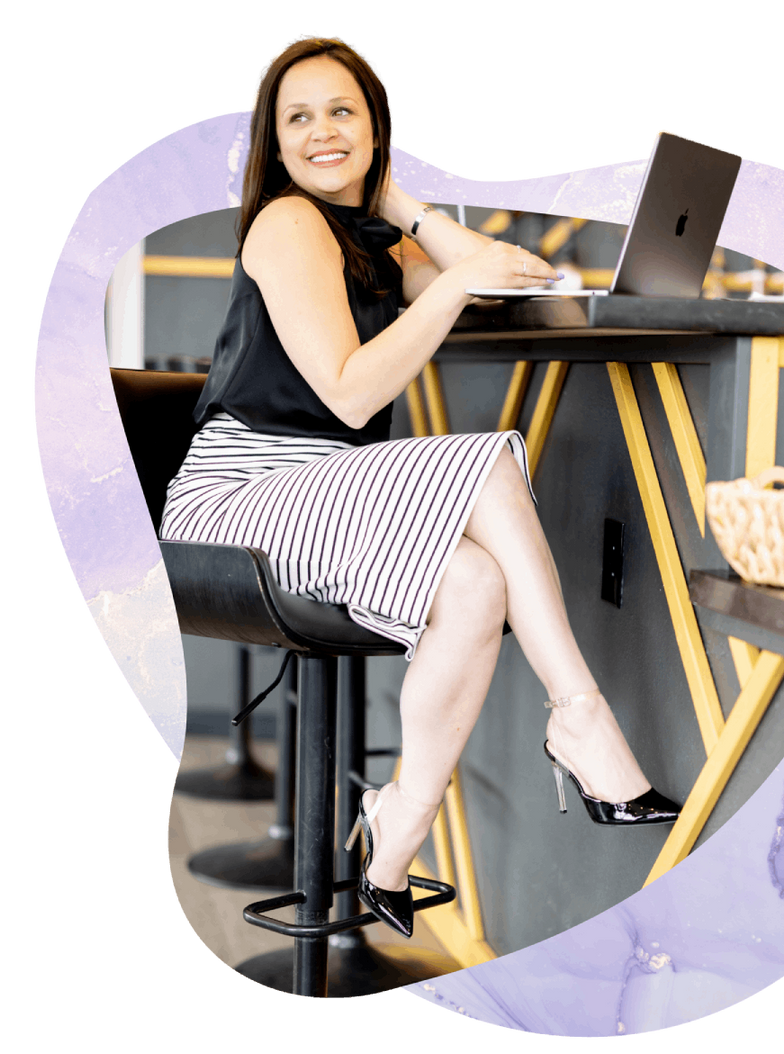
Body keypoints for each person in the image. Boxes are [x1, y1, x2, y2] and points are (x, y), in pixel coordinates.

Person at [161, 33, 681, 939]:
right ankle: (580, 714)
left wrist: (406, 206)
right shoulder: (286, 223)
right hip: (238, 499)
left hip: (320, 490)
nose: (323, 132)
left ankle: (398, 825)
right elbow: (351, 392)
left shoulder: (377, 244)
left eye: (343, 112)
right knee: (485, 460)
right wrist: (447, 287)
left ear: (378, 129)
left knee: (475, 582)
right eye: (298, 119)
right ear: (274, 145)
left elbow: (527, 287)